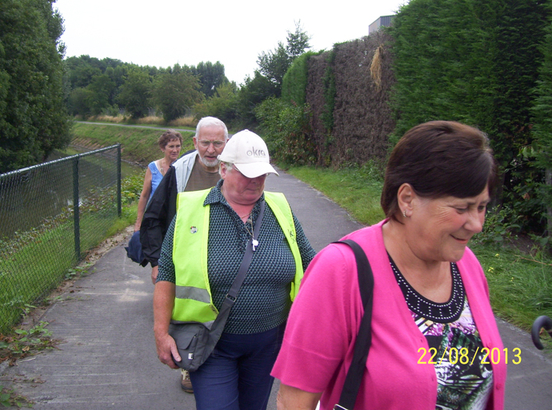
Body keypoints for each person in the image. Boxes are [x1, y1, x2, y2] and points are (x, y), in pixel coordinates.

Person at [272, 121, 507, 410]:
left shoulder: (466, 264)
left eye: (482, 207)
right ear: (407, 199)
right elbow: (294, 400)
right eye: (462, 208)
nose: (477, 224)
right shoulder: (342, 271)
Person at [153, 129, 316, 410]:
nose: (256, 181)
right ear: (224, 169)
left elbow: (313, 264)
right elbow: (167, 272)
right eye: (246, 173)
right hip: (211, 343)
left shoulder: (281, 208)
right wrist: (161, 333)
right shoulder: (192, 210)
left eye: (262, 174)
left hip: (268, 344)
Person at [140, 116, 228, 393]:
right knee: (189, 315)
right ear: (195, 143)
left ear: (227, 143)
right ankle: (190, 366)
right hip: (186, 259)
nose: (211, 150)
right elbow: (154, 216)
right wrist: (157, 262)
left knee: (224, 313)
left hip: (224, 257)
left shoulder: (238, 169)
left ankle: (218, 362)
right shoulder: (179, 171)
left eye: (217, 143)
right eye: (205, 143)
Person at [126, 130, 183, 265]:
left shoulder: (182, 167)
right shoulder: (153, 168)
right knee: (156, 260)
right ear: (163, 148)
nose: (175, 150)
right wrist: (139, 223)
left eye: (178, 146)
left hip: (176, 220)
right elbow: (145, 196)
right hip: (156, 221)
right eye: (171, 146)